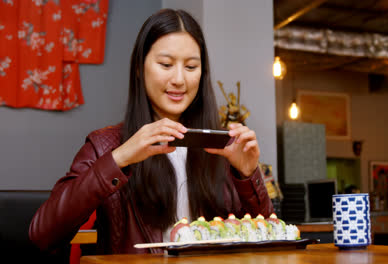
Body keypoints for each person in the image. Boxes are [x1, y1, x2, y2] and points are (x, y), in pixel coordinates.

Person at [29, 9, 273, 255]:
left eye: (191, 66)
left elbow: (268, 242)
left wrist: (247, 174)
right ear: (139, 67)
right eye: (166, 64)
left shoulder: (222, 149)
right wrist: (120, 158)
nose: (179, 79)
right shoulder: (105, 144)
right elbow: (43, 234)